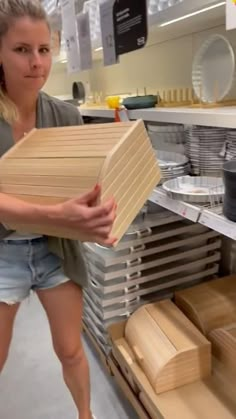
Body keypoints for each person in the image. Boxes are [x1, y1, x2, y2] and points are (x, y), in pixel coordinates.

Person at [0, 1, 116, 419]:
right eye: (21, 50)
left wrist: (99, 218)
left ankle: (86, 415)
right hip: (3, 253)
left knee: (71, 351)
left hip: (56, 252)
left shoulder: (65, 116)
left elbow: (84, 189)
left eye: (44, 50)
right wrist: (59, 216)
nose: (36, 63)